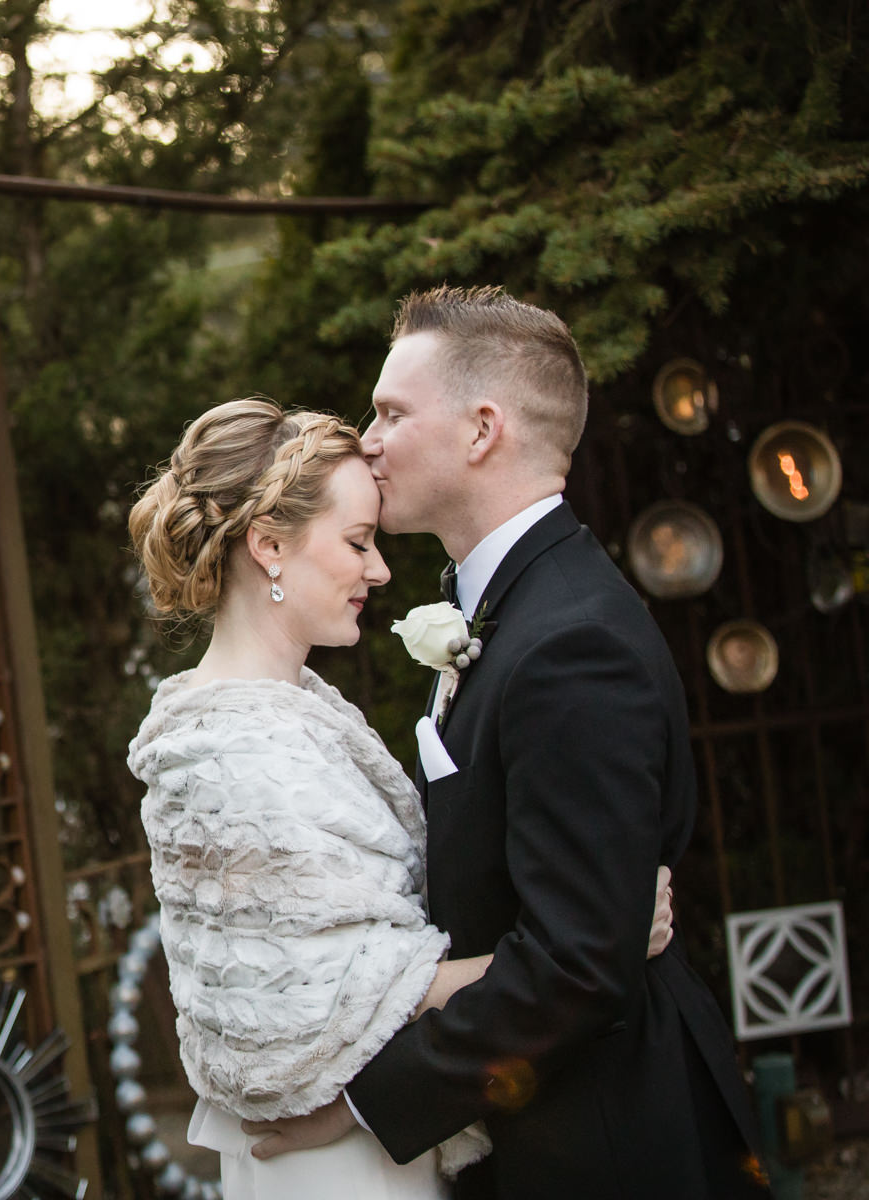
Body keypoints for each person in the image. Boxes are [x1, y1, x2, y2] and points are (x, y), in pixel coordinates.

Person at [241, 286, 767, 1199]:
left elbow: (575, 965)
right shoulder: (515, 606)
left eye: (392, 412)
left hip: (604, 1139)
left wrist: (363, 1105)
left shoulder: (572, 644)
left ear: (482, 431)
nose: (368, 439)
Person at [124, 399, 675, 1199]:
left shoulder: (295, 708)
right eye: (357, 542)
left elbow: (372, 934)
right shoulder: (230, 748)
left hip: (378, 1138)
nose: (380, 570)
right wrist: (606, 932)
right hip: (329, 1166)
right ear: (269, 546)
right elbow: (344, 987)